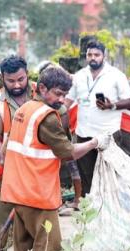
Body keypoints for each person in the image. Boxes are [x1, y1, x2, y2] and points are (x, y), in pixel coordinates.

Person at [0, 66, 111, 251]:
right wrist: (94, 143)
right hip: (37, 194)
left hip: (18, 191)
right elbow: (68, 152)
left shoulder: (24, 110)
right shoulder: (47, 117)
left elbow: (8, 148)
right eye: (58, 94)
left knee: (23, 245)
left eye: (64, 95)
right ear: (42, 89)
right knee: (50, 245)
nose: (62, 100)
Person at [0, 55, 36, 251]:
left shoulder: (41, 92)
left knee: (35, 225)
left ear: (27, 74)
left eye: (21, 79)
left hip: (36, 171)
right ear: (2, 77)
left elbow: (61, 116)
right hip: (3, 171)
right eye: (11, 81)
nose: (17, 85)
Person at [63, 41, 130, 196]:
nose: (93, 58)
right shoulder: (80, 76)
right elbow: (67, 101)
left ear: (104, 56)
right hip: (83, 134)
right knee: (86, 176)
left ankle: (111, 213)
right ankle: (91, 213)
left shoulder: (116, 75)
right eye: (89, 55)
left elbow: (129, 101)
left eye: (96, 55)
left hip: (108, 135)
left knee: (110, 176)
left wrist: (111, 105)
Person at [38, 61, 82, 213]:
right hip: (43, 149)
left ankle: (77, 200)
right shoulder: (36, 102)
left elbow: (63, 132)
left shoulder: (61, 107)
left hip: (62, 142)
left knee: (72, 167)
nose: (62, 97)